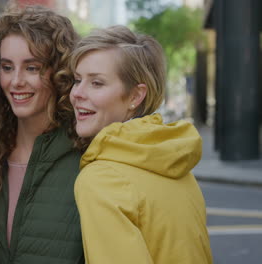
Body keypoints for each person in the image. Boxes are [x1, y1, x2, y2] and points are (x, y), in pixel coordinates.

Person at [69, 25, 213, 263]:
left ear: (136, 96)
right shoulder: (173, 160)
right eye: (77, 80)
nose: (77, 93)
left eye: (97, 83)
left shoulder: (102, 179)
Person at [0, 5, 84, 264]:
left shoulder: (87, 155)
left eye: (32, 68)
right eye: (7, 67)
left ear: (60, 72)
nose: (16, 81)